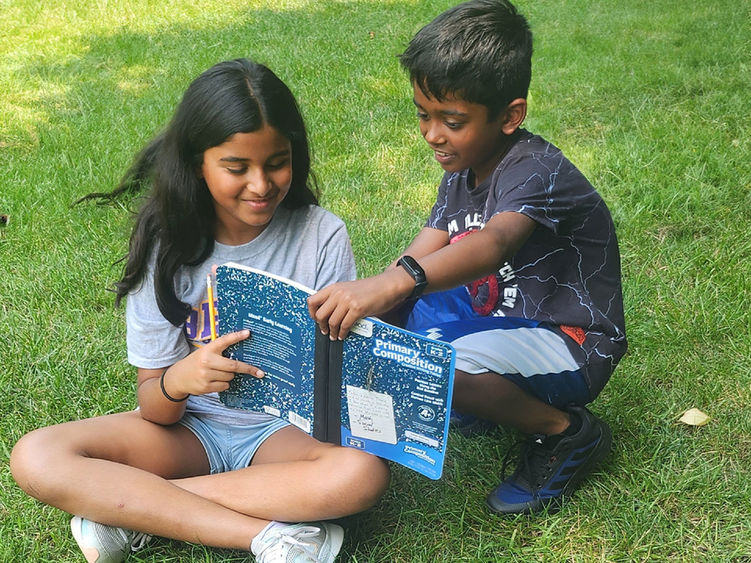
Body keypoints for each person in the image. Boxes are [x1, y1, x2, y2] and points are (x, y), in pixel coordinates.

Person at [10, 58, 390, 563]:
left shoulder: (321, 235)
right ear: (196, 163)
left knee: (361, 475)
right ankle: (267, 536)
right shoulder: (166, 247)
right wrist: (180, 379)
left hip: (284, 435)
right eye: (237, 168)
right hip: (188, 428)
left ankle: (132, 511)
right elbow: (154, 406)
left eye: (277, 161)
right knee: (37, 456)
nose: (261, 184)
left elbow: (334, 391)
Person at [307, 0, 627, 516]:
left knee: (429, 360)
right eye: (423, 115)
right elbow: (425, 246)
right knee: (394, 322)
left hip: (568, 342)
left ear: (510, 116)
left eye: (451, 120)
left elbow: (491, 246)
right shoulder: (461, 169)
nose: (433, 134)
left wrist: (399, 282)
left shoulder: (536, 169)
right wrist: (380, 296)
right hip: (501, 319)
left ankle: (565, 432)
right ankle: (482, 403)